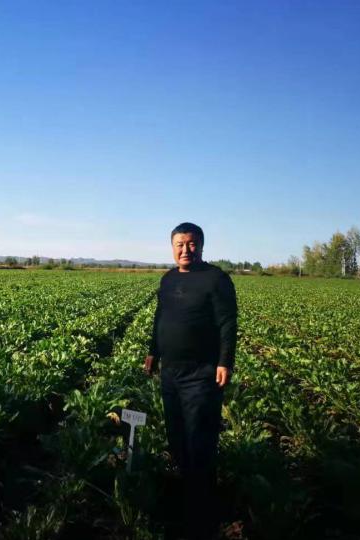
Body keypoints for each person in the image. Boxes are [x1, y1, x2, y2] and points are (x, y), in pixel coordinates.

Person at [144, 222, 237, 540]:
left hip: (202, 373)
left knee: (200, 437)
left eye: (192, 243)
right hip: (170, 371)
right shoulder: (168, 279)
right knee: (177, 434)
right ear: (172, 247)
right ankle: (187, 490)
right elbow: (160, 317)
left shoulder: (216, 279)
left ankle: (203, 506)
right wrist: (153, 351)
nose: (185, 249)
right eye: (180, 244)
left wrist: (225, 361)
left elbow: (227, 322)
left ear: (201, 245)